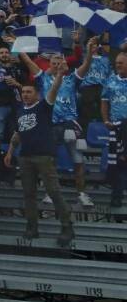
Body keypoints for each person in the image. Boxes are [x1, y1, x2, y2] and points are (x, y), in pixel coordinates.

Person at [19, 40, 97, 208]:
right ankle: (49, 192)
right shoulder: (42, 80)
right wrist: (18, 46)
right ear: (50, 64)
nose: (55, 66)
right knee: (49, 161)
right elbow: (27, 62)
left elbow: (87, 65)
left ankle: (82, 194)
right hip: (50, 125)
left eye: (58, 63)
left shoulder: (72, 79)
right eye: (53, 63)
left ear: (64, 64)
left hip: (69, 123)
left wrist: (89, 52)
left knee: (77, 158)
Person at [3, 65, 75, 245]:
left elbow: (53, 90)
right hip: (25, 156)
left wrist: (58, 75)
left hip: (43, 155)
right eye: (24, 92)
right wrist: (10, 151)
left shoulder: (44, 106)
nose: (25, 94)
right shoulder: (20, 111)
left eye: (29, 92)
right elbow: (18, 133)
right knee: (28, 193)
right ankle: (32, 226)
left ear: (36, 94)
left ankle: (67, 226)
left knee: (53, 191)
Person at [101, 51, 127, 208]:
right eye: (117, 62)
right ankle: (116, 196)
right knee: (117, 164)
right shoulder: (110, 81)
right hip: (116, 128)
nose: (118, 65)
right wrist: (105, 120)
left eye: (121, 63)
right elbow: (104, 102)